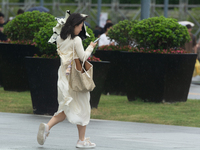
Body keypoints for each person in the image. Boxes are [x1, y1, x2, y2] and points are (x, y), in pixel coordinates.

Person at [37, 13, 97, 149]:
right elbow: (83, 57)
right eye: (80, 26)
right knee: (83, 107)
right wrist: (91, 47)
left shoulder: (59, 38)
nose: (81, 29)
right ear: (74, 25)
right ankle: (81, 140)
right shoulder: (76, 40)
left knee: (64, 107)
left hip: (64, 77)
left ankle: (47, 127)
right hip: (75, 78)